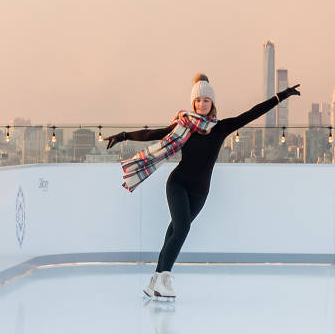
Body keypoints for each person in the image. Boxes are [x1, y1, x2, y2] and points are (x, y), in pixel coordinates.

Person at [105, 73, 300, 300]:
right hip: (177, 184)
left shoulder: (221, 128)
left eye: (206, 100)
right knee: (182, 227)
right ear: (193, 103)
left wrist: (281, 96)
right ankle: (165, 279)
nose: (201, 104)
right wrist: (123, 135)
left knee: (174, 231)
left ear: (212, 103)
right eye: (198, 101)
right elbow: (153, 133)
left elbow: (251, 113)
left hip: (200, 191)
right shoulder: (184, 126)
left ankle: (154, 280)